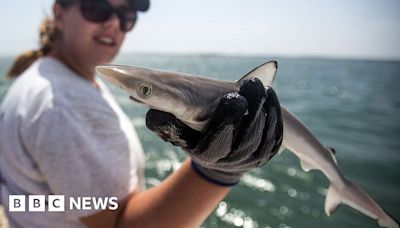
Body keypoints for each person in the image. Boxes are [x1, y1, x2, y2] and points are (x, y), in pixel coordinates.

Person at [0, 0, 283, 227]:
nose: (113, 24)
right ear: (59, 14)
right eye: (96, 8)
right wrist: (218, 169)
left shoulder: (47, 76)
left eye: (126, 16)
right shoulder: (65, 105)